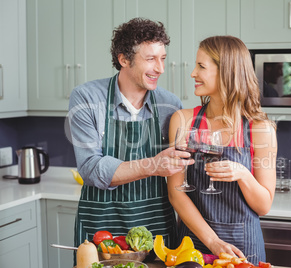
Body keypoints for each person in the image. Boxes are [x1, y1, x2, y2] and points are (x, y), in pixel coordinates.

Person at [67, 18, 193, 250]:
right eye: (150, 59)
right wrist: (153, 166)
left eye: (162, 58)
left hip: (155, 227)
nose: (160, 68)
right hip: (101, 226)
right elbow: (91, 170)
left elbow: (180, 168)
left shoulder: (170, 104)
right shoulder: (86, 98)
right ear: (123, 59)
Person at [168, 36, 277, 264]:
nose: (193, 74)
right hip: (193, 243)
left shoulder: (260, 129)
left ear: (226, 72)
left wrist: (243, 174)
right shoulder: (183, 120)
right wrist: (213, 242)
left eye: (201, 66)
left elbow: (264, 205)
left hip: (243, 248)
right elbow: (176, 193)